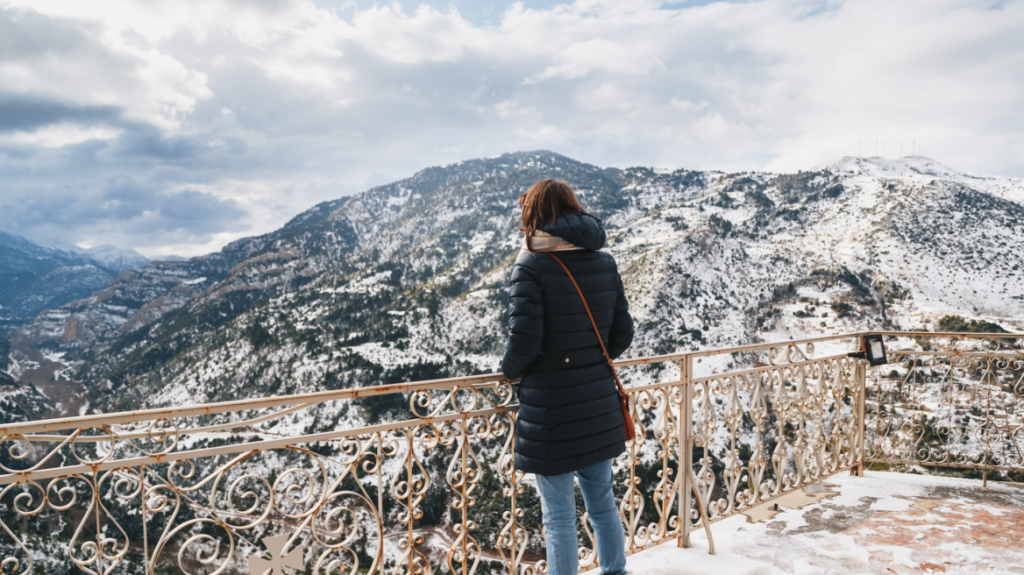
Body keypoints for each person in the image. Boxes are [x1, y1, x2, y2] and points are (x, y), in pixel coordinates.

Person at [501, 179, 634, 575]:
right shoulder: (604, 261)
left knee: (559, 518)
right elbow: (622, 334)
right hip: (597, 406)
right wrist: (589, 361)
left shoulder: (531, 265)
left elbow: (524, 343)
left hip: (551, 412)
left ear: (535, 215)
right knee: (603, 505)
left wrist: (508, 373)